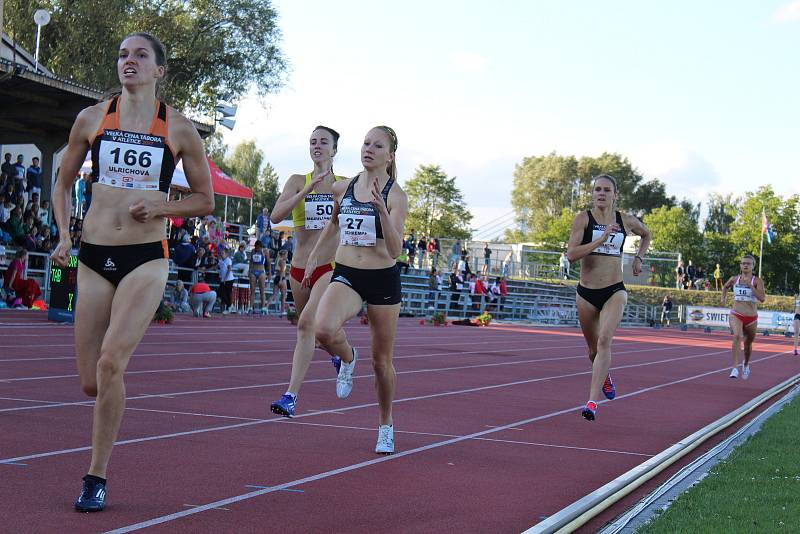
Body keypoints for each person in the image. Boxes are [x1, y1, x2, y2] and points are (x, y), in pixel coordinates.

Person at [49, 32, 214, 512]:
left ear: (160, 70)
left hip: (146, 257)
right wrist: (64, 235)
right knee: (90, 381)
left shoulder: (179, 128)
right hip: (94, 254)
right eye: (123, 54)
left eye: (141, 55)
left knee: (110, 363)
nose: (129, 61)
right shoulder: (92, 118)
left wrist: (162, 204)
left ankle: (95, 476)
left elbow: (204, 198)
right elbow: (61, 185)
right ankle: (112, 399)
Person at [306, 125, 407, 454]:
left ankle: (386, 423)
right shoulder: (346, 186)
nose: (369, 149)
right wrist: (313, 258)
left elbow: (395, 250)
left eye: (377, 146)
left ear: (389, 156)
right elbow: (332, 224)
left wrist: (381, 211)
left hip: (382, 278)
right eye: (366, 143)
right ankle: (347, 358)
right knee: (321, 330)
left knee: (381, 363)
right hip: (347, 272)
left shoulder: (395, 195)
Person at [268, 125, 353, 417]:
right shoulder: (295, 181)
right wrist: (305, 190)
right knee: (316, 334)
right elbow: (276, 216)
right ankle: (343, 356)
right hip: (298, 268)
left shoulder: (344, 184)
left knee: (305, 324)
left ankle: (290, 396)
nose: (317, 146)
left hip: (329, 266)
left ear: (334, 150)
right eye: (313, 142)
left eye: (323, 142)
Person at [566, 174, 651, 421]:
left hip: (615, 289)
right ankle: (605, 375)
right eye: (597, 190)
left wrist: (639, 258)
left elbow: (646, 235)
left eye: (606, 190)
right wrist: (601, 239)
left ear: (616, 195)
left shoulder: (625, 220)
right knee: (593, 351)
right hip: (586, 293)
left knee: (605, 341)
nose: (601, 194)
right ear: (592, 193)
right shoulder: (584, 219)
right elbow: (571, 254)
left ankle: (591, 403)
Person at [720, 255, 765, 379]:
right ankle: (734, 368)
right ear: (740, 265)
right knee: (737, 336)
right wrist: (723, 298)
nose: (745, 265)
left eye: (748, 264)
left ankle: (746, 364)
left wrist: (750, 286)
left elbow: (762, 298)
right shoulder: (734, 279)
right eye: (743, 263)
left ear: (753, 266)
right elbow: (725, 287)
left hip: (751, 318)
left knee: (747, 345)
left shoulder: (757, 281)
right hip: (736, 314)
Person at [248, 240, 268, 313]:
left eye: (259, 248)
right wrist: (249, 271)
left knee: (262, 291)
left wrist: (269, 274)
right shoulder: (253, 251)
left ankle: (263, 307)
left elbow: (268, 262)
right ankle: (250, 307)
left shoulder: (265, 251)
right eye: (256, 247)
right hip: (253, 271)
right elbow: (251, 261)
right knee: (252, 290)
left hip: (261, 271)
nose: (258, 249)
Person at [218, 247, 235, 314]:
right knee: (221, 293)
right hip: (223, 280)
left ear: (226, 254)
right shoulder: (221, 261)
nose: (221, 255)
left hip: (228, 280)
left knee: (225, 293)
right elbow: (217, 266)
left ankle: (229, 306)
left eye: (222, 253)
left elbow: (229, 269)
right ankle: (229, 306)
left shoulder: (228, 260)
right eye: (221, 253)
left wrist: (225, 278)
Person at [793, 286, 800, 356]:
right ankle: (795, 349)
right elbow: (794, 307)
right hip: (797, 315)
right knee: (796, 332)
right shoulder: (797, 296)